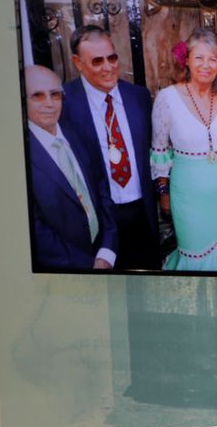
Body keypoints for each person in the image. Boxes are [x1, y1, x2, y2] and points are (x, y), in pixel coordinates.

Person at [59, 25, 162, 269]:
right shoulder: (65, 102)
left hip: (141, 215)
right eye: (97, 61)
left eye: (112, 58)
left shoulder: (139, 97)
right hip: (99, 218)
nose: (108, 67)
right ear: (78, 63)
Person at [149, 29, 217, 272]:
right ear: (186, 60)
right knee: (194, 259)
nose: (206, 65)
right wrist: (164, 193)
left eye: (213, 59)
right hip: (187, 197)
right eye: (199, 57)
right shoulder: (167, 98)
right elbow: (159, 150)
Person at [22, 64, 117, 270]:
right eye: (37, 95)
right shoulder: (19, 154)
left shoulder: (77, 133)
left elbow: (102, 189)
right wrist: (88, 266)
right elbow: (33, 230)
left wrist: (107, 251)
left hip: (103, 255)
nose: (49, 103)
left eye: (55, 94)